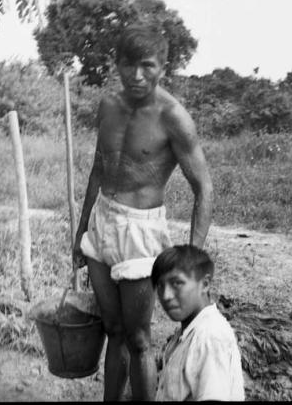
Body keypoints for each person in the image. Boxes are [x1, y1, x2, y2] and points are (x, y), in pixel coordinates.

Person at [72, 22, 213, 401]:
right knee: (112, 330)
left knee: (138, 339)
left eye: (148, 65)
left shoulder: (173, 116)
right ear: (115, 64)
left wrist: (189, 257)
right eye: (129, 65)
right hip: (102, 221)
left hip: (141, 232)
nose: (137, 76)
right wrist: (82, 230)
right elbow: (99, 169)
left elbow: (204, 187)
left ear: (163, 67)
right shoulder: (108, 105)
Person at [151, 244, 245, 401]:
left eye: (177, 283)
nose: (166, 295)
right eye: (160, 286)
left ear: (205, 284)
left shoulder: (210, 336)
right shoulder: (187, 332)